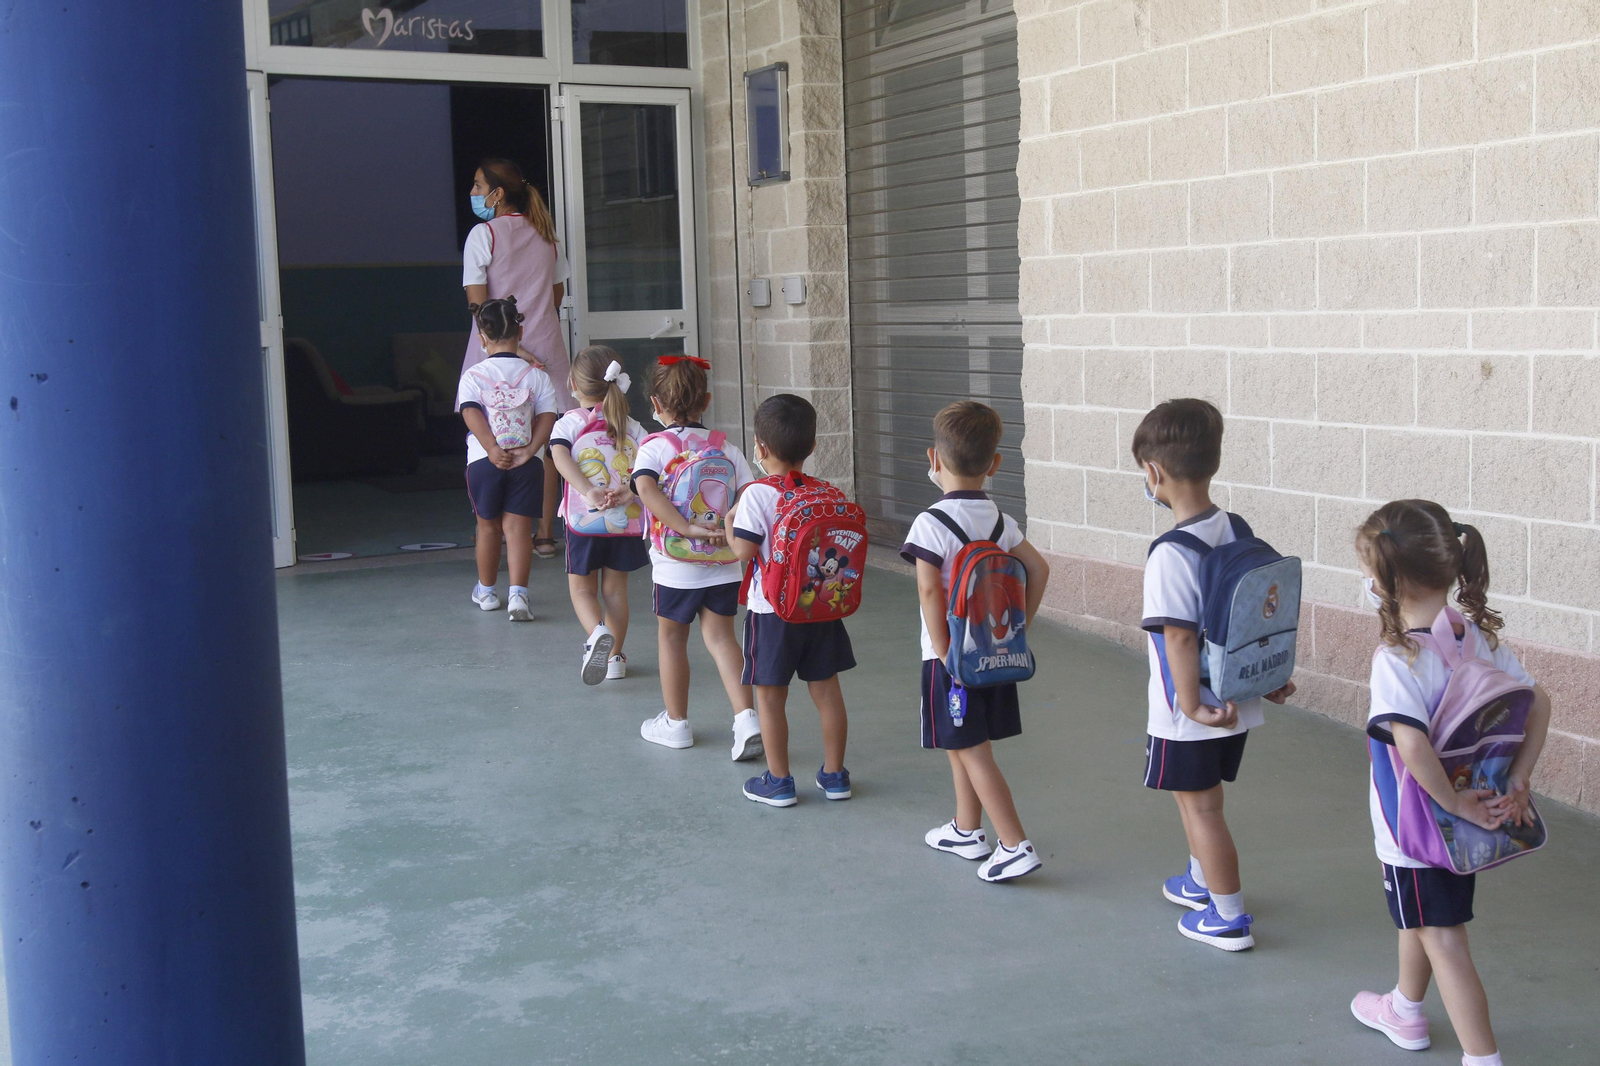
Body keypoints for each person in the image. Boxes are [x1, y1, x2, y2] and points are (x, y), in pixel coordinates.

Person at [1349, 500, 1551, 1066]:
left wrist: (1454, 802)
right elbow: (1540, 703)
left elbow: (1410, 744)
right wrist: (1519, 776)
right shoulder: (1473, 637)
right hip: (1473, 816)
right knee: (1425, 915)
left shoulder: (1398, 658)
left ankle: (1482, 1057)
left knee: (1444, 937)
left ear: (1385, 580)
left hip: (1418, 826)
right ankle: (1405, 1009)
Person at [1132, 398, 1294, 949]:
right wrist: (1269, 678)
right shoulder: (1236, 527)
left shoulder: (1170, 554)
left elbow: (1176, 635)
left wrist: (1190, 704)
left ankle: (1227, 916)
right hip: (1237, 696)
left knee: (1200, 808)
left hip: (1194, 707)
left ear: (1153, 473)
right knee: (1200, 799)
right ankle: (1202, 879)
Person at [900, 401, 1049, 881]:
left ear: (933, 459)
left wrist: (945, 651)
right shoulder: (1000, 521)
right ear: (994, 465)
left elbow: (928, 588)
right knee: (962, 740)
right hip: (994, 650)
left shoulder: (930, 522)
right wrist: (1018, 625)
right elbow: (1039, 568)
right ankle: (967, 830)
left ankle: (1014, 843)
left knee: (972, 748)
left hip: (950, 657)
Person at [727, 394, 856, 807]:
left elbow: (744, 553)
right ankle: (835, 776)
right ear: (812, 447)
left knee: (769, 695)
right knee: (827, 692)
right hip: (820, 606)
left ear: (759, 447)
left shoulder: (757, 495)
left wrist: (731, 525)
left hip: (773, 613)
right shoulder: (828, 491)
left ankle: (779, 781)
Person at [629, 356, 761, 758]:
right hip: (723, 562)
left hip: (676, 566)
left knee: (671, 639)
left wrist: (685, 528)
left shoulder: (653, 447)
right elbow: (749, 495)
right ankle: (746, 719)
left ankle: (676, 723)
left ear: (655, 403)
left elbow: (645, 489)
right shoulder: (727, 448)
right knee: (722, 639)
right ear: (705, 401)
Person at [461, 157, 571, 560]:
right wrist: (529, 339)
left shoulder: (483, 234)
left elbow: (478, 305)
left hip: (495, 349)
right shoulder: (547, 235)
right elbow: (555, 297)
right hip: (546, 349)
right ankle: (543, 534)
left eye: (477, 186)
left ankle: (490, 529)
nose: (473, 194)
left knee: (489, 438)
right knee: (544, 444)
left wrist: (510, 344)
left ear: (497, 193)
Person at [547, 345, 649, 684]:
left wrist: (587, 490)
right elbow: (651, 470)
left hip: (585, 521)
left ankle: (596, 634)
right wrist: (630, 492)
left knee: (581, 590)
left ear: (573, 385)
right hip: (625, 521)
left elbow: (559, 457)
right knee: (615, 593)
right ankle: (615, 657)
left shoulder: (570, 423)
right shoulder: (632, 426)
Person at [456, 297, 558, 621]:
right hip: (527, 462)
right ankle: (519, 596)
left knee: (487, 527)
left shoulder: (474, 375)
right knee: (518, 528)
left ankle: (486, 592)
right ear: (521, 331)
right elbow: (547, 416)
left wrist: (490, 448)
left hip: (485, 462)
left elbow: (470, 411)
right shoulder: (537, 377)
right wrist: (530, 450)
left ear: (482, 339)